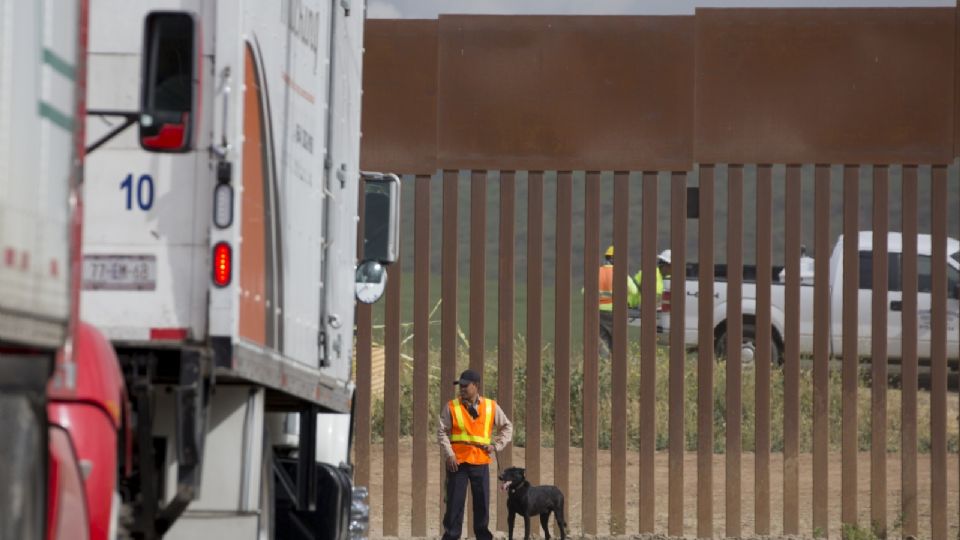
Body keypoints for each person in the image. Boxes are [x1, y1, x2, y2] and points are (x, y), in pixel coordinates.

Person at [437, 369, 513, 540]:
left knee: (482, 504)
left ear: (476, 386)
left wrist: (496, 445)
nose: (462, 389)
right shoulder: (451, 406)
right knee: (454, 505)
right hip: (458, 462)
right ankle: (451, 536)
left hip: (480, 462)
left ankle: (483, 537)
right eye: (460, 386)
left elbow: (507, 427)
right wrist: (449, 455)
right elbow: (441, 432)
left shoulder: (491, 406)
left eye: (465, 386)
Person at [598, 245, 639, 354]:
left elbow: (585, 292)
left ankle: (604, 364)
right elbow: (634, 291)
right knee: (618, 341)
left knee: (603, 340)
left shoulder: (597, 272)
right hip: (617, 311)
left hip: (599, 312)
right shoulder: (621, 273)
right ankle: (617, 364)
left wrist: (604, 295)